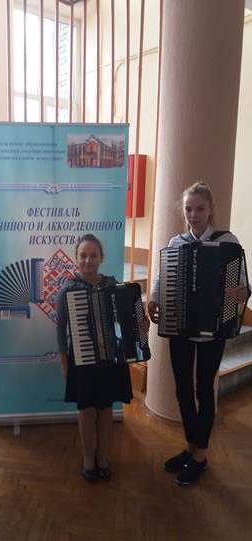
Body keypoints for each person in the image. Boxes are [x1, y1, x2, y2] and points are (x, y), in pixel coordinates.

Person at [148, 181, 250, 486]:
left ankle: (201, 455)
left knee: (204, 389)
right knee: (182, 389)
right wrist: (154, 299)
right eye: (189, 209)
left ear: (210, 209)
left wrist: (242, 292)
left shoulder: (227, 242)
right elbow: (162, 276)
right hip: (180, 328)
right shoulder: (176, 242)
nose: (193, 214)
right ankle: (191, 447)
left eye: (200, 208)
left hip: (213, 331)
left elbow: (242, 284)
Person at [56, 234, 135, 482]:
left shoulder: (113, 285)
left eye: (93, 255)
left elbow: (127, 321)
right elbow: (60, 330)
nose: (88, 260)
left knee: (106, 407)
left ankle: (103, 457)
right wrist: (64, 363)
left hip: (111, 359)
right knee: (87, 409)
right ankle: (88, 457)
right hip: (81, 361)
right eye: (83, 255)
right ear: (76, 258)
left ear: (101, 258)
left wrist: (137, 323)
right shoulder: (67, 290)